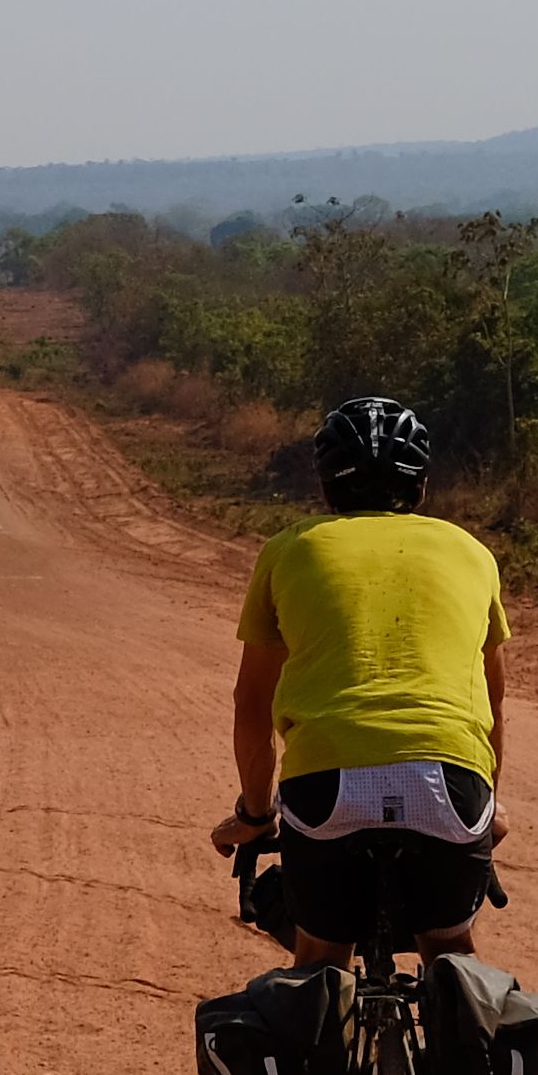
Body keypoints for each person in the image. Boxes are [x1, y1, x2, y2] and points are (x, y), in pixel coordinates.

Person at [206, 394, 510, 963]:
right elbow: (493, 699)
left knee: (321, 960)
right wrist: (492, 804)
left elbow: (251, 709)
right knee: (452, 952)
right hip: (450, 782)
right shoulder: (473, 553)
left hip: (327, 787)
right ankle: (467, 1035)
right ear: (421, 485)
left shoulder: (288, 550)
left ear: (325, 486)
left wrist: (254, 815)